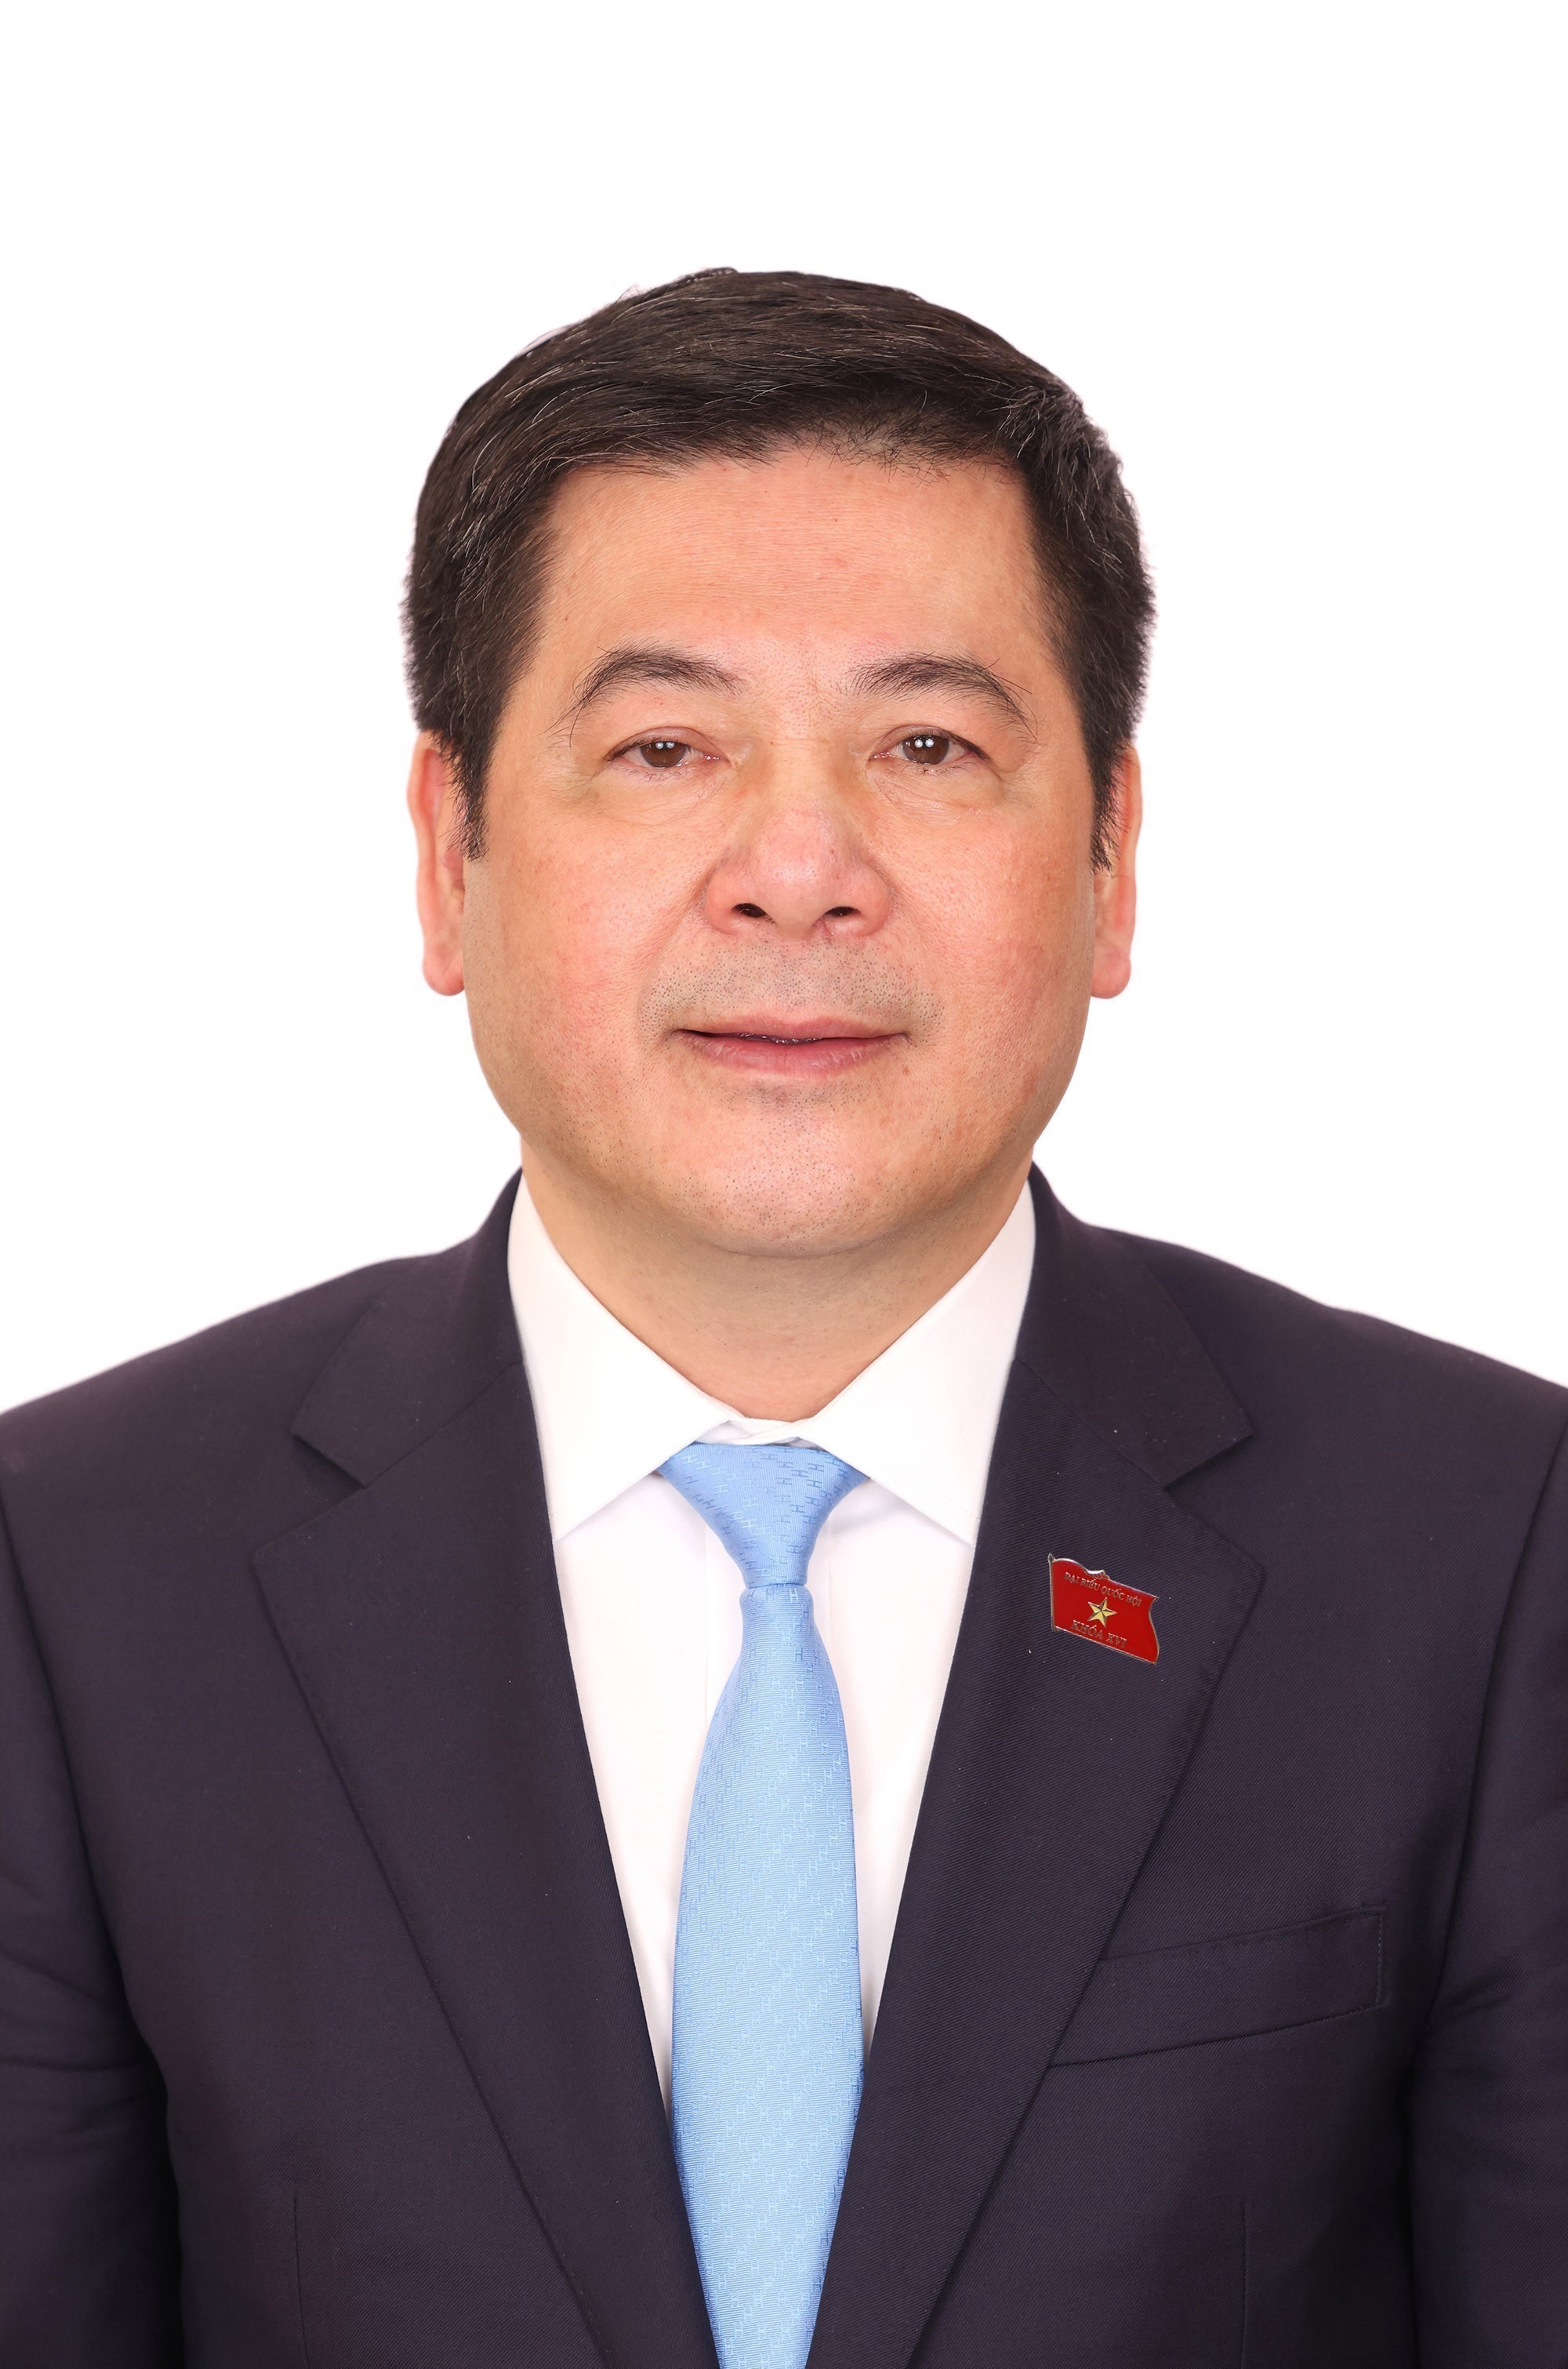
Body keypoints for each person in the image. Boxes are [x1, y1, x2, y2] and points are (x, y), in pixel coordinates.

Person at [1, 268, 1563, 2369]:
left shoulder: (1482, 1550)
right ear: (450, 855)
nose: (800, 867)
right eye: (664, 747)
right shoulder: (81, 1575)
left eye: (929, 745)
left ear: (1111, 859)